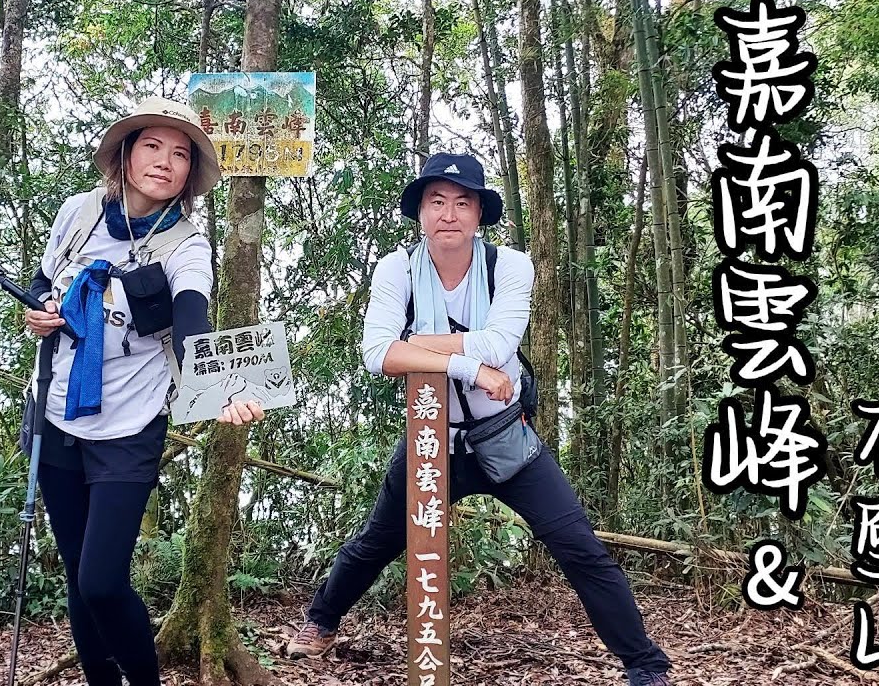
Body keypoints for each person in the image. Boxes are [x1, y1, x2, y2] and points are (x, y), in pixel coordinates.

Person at [283, 153, 673, 686]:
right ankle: (321, 621)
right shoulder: (397, 269)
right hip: (431, 441)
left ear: (480, 214)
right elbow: (376, 354)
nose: (449, 214)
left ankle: (645, 664)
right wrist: (466, 365)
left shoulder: (508, 266)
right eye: (437, 201)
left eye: (463, 203)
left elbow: (498, 343)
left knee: (577, 545)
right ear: (419, 211)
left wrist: (414, 345)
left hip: (503, 435)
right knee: (377, 540)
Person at [21, 96, 263, 686]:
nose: (166, 161)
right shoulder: (77, 214)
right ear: (124, 156)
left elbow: (190, 318)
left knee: (102, 580)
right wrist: (39, 313)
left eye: (180, 154)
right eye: (152, 146)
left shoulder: (186, 243)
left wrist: (223, 387)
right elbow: (41, 283)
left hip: (128, 428)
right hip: (53, 415)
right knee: (80, 575)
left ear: (189, 175)